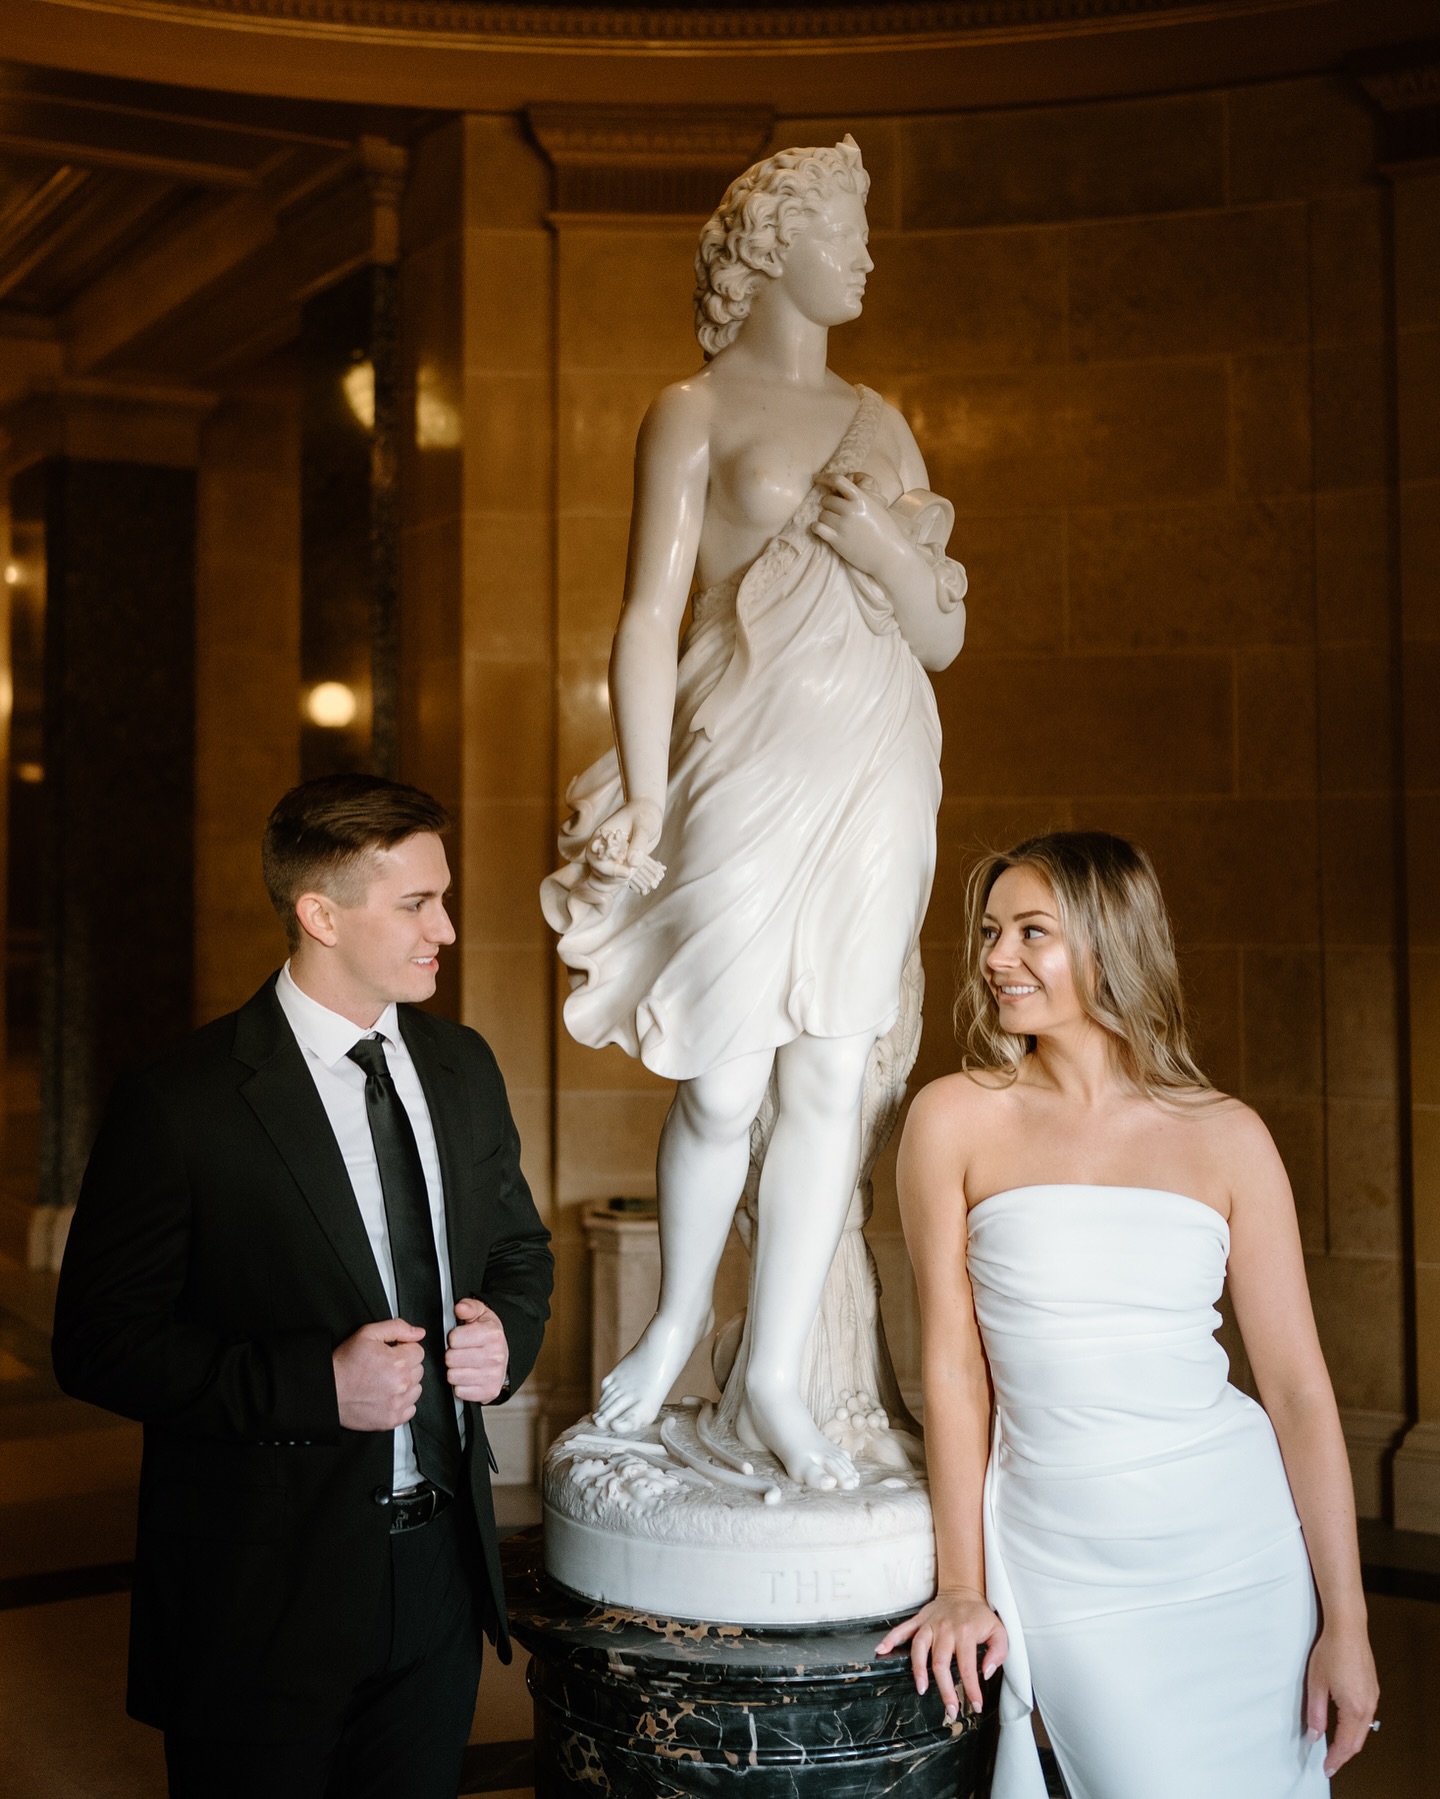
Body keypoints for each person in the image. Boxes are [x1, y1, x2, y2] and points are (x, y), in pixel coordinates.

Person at [540, 137, 966, 1488]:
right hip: (741, 753)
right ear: (773, 250)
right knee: (723, 1078)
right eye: (846, 231)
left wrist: (879, 544)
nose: (868, 257)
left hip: (878, 755)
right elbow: (646, 616)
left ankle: (776, 1370)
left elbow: (942, 632)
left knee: (832, 1069)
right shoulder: (691, 410)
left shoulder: (882, 417)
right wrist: (644, 789)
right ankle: (676, 1326)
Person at [52, 774, 553, 1799]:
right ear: (320, 914)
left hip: (443, 1574)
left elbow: (518, 1249)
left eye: (443, 897)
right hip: (260, 1587)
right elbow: (99, 1340)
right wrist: (314, 1384)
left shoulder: (462, 1064)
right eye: (417, 903)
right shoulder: (180, 1100)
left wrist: (507, 1330)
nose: (447, 929)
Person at [877, 830, 1378, 1798]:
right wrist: (962, 1584)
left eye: (1032, 931)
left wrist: (1346, 1624)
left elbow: (1298, 1391)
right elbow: (953, 1368)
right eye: (990, 931)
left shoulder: (1228, 1134)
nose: (997, 957)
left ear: (1112, 941)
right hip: (1067, 1559)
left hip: (1238, 1549)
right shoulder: (953, 1119)